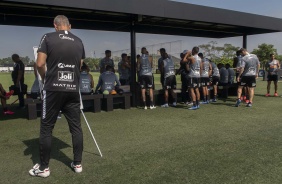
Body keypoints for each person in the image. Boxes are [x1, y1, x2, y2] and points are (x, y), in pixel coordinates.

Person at [29, 15, 85, 178]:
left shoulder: (48, 37)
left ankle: (44, 168)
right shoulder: (79, 41)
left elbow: (39, 63)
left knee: (46, 128)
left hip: (53, 89)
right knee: (76, 127)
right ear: (70, 26)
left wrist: (45, 77)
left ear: (55, 25)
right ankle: (78, 163)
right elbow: (79, 65)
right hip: (73, 89)